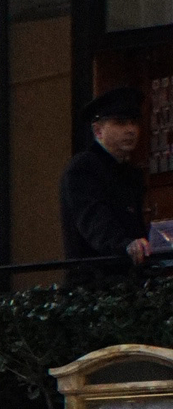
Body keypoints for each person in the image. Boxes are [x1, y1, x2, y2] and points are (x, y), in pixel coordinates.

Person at [59, 85, 153, 283]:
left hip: (129, 284)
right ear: (98, 130)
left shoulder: (131, 173)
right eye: (120, 123)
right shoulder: (83, 168)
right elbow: (93, 219)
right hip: (95, 286)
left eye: (134, 122)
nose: (130, 130)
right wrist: (124, 245)